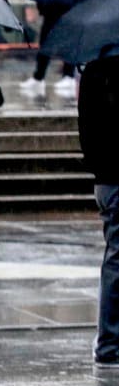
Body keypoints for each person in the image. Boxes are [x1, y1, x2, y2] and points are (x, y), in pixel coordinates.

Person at [78, 54, 119, 368]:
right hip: (112, 176)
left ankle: (109, 341)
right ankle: (109, 342)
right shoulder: (101, 73)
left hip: (107, 176)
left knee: (116, 256)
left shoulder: (93, 70)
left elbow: (86, 131)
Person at [20, 2, 77, 98]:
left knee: (67, 43)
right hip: (53, 10)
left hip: (64, 10)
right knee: (46, 44)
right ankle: (39, 77)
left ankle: (68, 75)